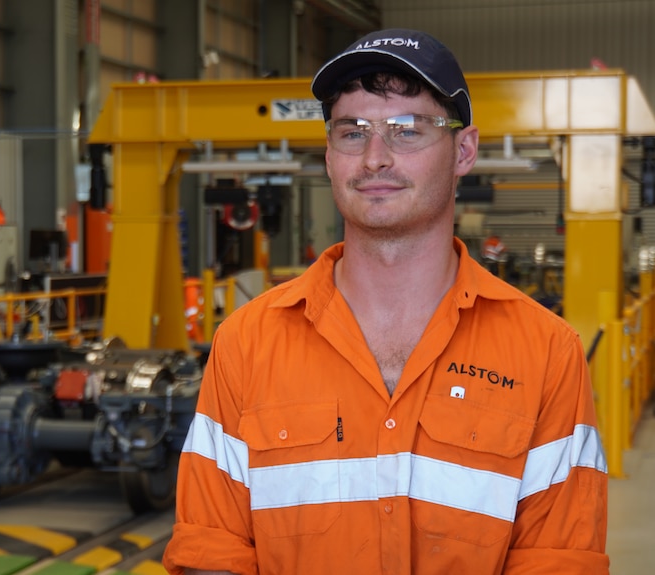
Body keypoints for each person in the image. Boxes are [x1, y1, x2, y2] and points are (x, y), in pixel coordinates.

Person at [161, 28, 609, 575]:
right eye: (352, 132)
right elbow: (213, 552)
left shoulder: (546, 352)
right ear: (329, 156)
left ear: (463, 149)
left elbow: (559, 560)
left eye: (406, 129)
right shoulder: (247, 343)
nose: (375, 158)